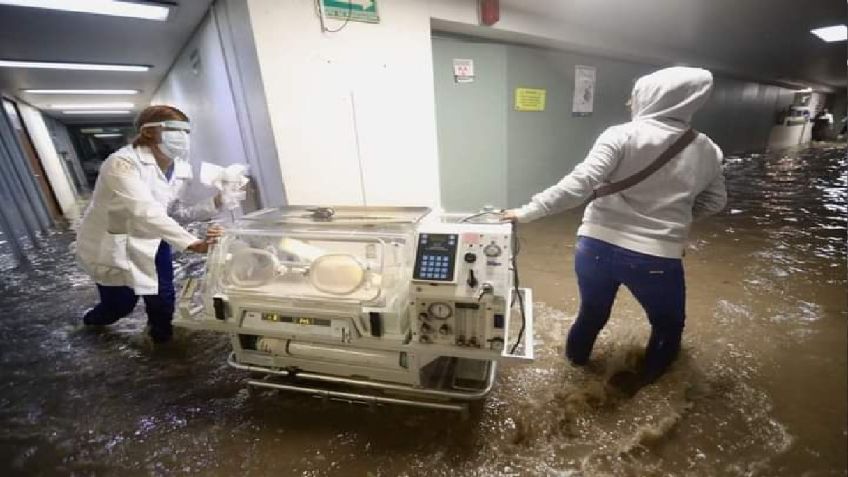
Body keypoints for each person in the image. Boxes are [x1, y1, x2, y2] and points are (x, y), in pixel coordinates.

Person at [503, 67, 727, 384]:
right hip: (655, 258)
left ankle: (572, 373)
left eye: (635, 96)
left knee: (592, 314)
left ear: (652, 97)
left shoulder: (620, 135)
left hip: (594, 246)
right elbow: (715, 202)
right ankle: (647, 391)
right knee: (668, 326)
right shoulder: (708, 150)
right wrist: (672, 218)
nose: (629, 102)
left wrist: (525, 212)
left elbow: (578, 186)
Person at [76, 105, 225, 344]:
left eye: (186, 132)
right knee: (121, 306)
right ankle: (90, 322)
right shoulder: (121, 163)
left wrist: (217, 201)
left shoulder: (181, 169)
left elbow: (175, 212)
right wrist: (193, 243)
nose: (183, 138)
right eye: (174, 130)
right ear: (147, 132)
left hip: (152, 239)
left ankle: (161, 344)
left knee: (163, 299)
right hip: (115, 244)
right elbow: (144, 210)